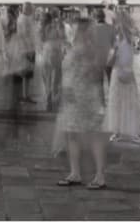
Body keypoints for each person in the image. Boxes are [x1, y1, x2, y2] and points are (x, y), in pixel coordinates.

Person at [57, 18, 108, 189]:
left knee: (93, 135)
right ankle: (75, 172)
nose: (74, 32)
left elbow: (95, 74)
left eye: (78, 29)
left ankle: (99, 175)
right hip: (74, 98)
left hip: (85, 98)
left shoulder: (88, 50)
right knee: (72, 134)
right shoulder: (81, 49)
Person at [105, 15, 140, 143]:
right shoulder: (128, 41)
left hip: (119, 76)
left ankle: (118, 132)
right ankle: (131, 132)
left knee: (118, 104)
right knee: (130, 103)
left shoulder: (123, 42)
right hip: (127, 75)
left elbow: (110, 63)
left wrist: (118, 20)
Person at [38, 12, 66, 112]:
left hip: (46, 52)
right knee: (57, 76)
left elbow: (40, 41)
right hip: (56, 52)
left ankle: (48, 97)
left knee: (46, 77)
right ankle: (54, 97)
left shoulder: (42, 28)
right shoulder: (58, 26)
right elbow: (63, 38)